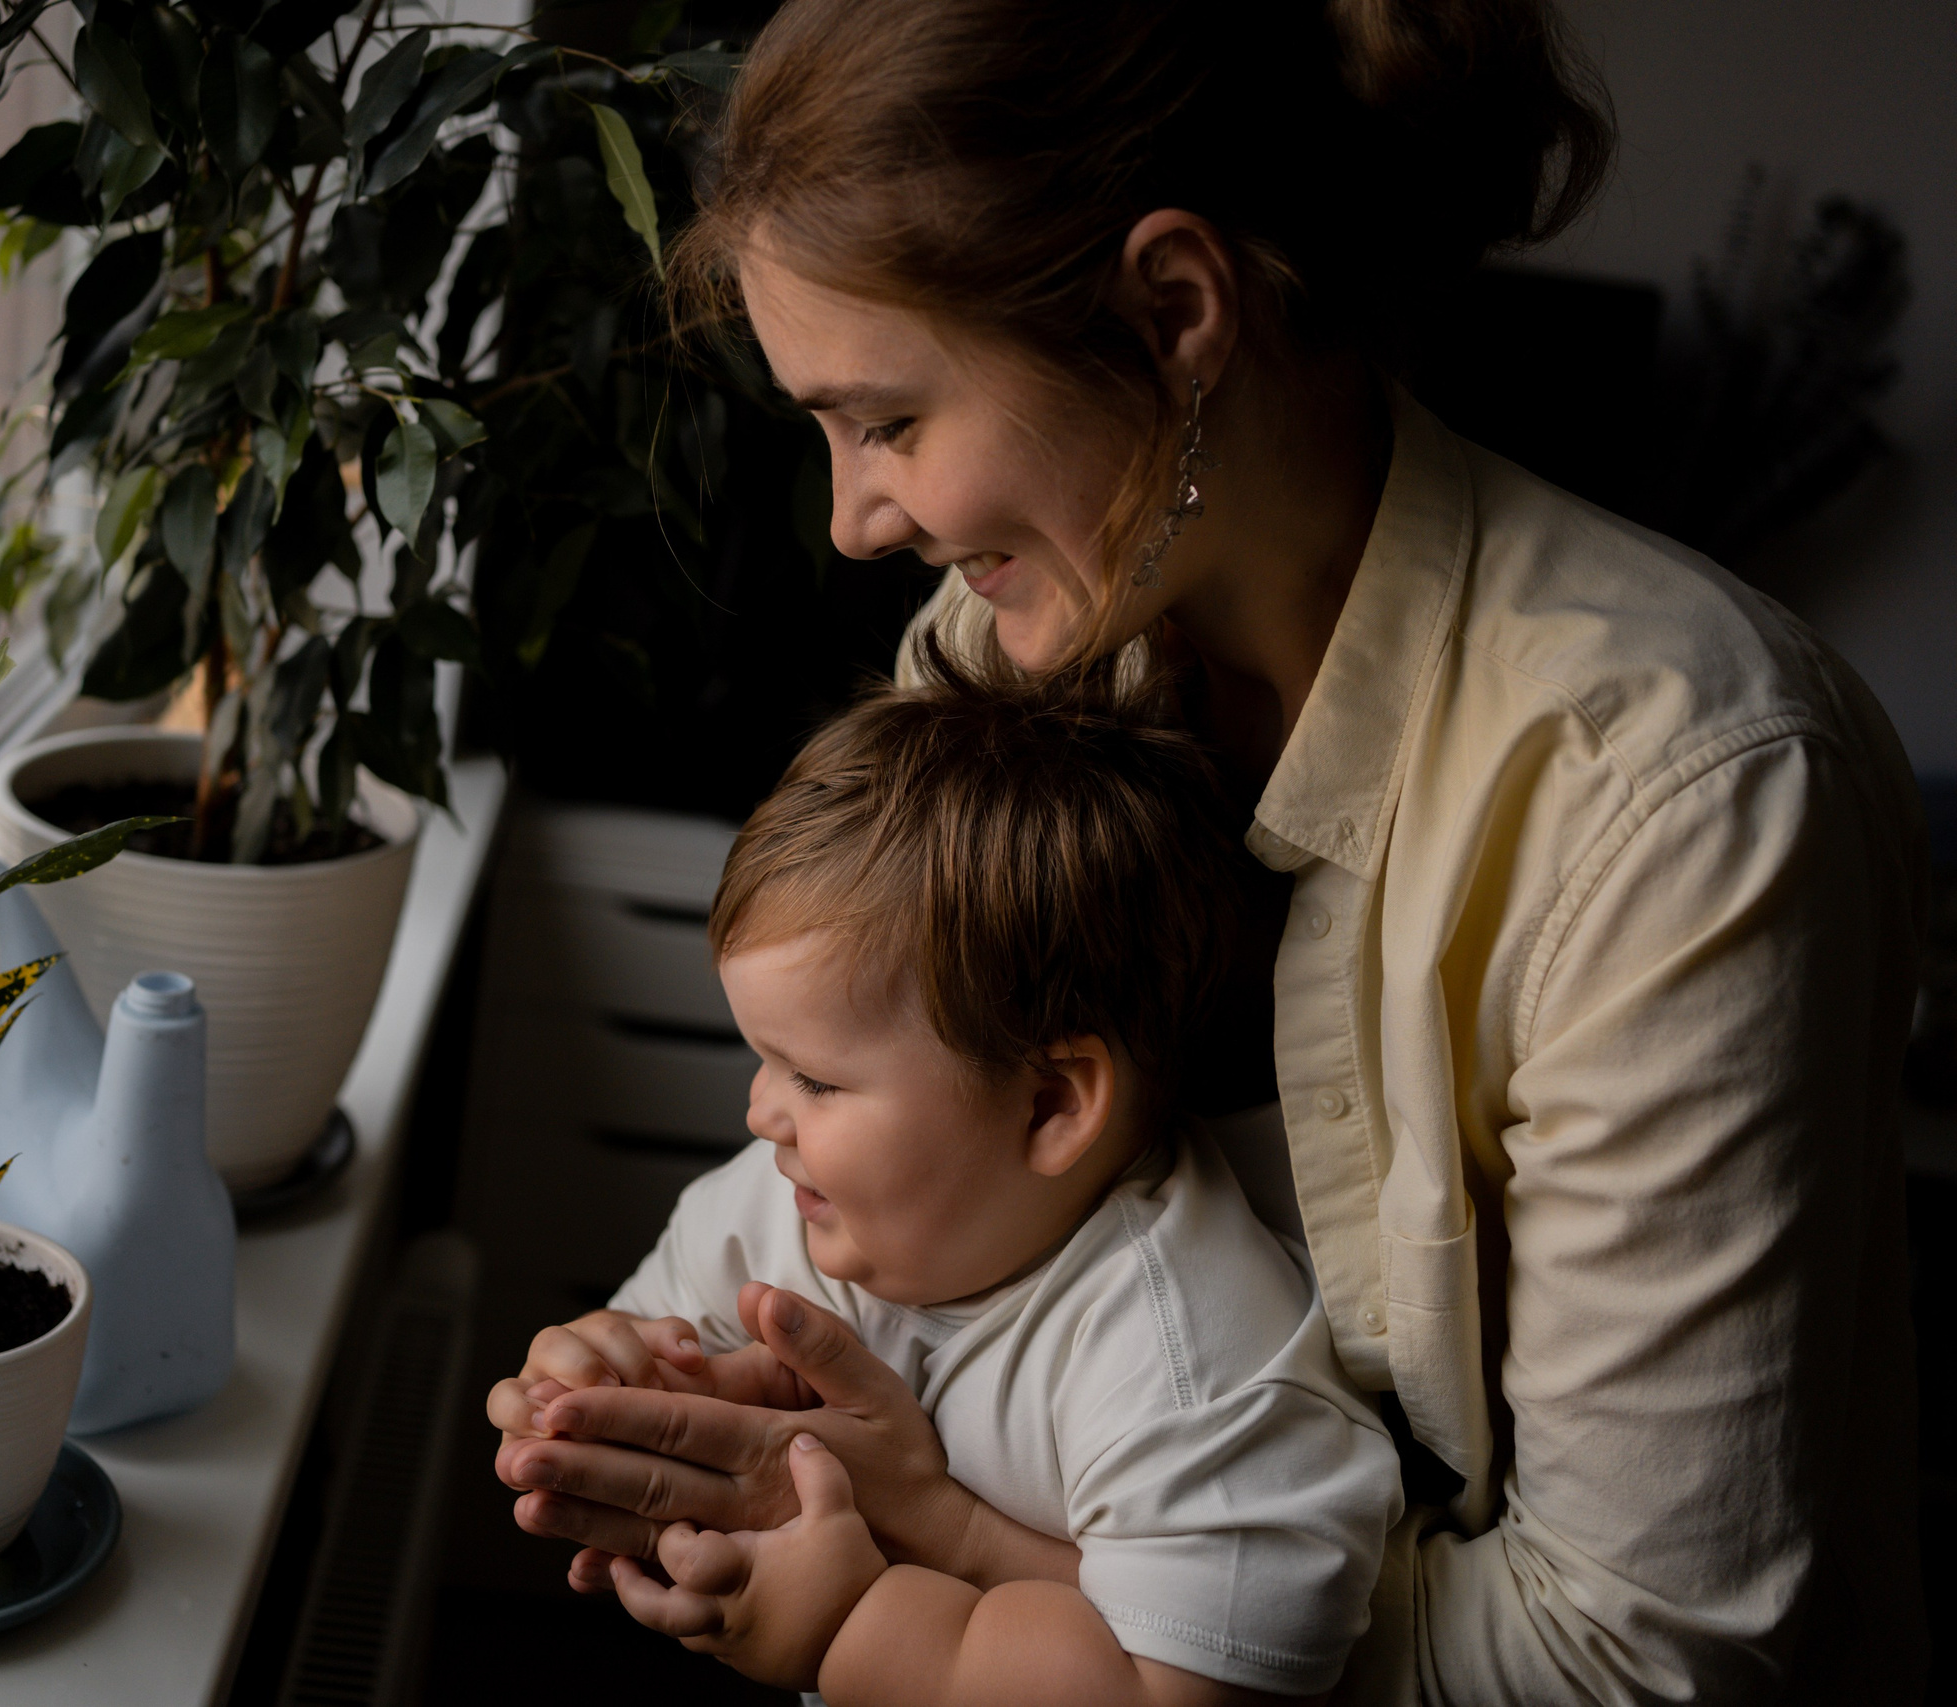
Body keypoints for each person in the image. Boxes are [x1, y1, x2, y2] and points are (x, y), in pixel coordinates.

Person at [489, 0, 1931, 1701]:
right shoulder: (994, 657)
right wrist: (696, 1399)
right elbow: (912, 1256)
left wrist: (955, 1551)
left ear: (1173, 310)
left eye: (887, 421)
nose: (853, 520)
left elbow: (1624, 1657)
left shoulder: (1685, 800)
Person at [497, 647, 1405, 1701]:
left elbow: (1173, 1691)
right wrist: (605, 1381)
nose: (759, 1112)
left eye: (817, 1081)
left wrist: (845, 1625)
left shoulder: (1194, 1367)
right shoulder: (787, 1206)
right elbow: (678, 1355)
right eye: (764, 1059)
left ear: (1050, 1106)